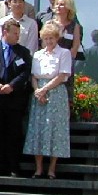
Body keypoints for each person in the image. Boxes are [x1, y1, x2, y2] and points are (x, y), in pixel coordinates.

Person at [0, 20, 32, 177]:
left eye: (19, 33)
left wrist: (12, 86)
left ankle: (13, 167)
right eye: (15, 33)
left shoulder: (23, 51)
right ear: (5, 32)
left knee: (13, 135)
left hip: (14, 100)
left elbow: (25, 72)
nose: (18, 36)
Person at [24, 23, 72, 179]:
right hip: (39, 92)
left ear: (57, 38)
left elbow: (62, 75)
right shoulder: (38, 55)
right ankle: (38, 168)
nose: (49, 41)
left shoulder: (64, 53)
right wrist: (38, 91)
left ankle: (51, 168)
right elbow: (33, 76)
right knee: (38, 128)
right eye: (46, 38)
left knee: (55, 128)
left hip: (56, 92)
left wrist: (45, 90)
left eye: (51, 38)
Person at [50, 0, 83, 99]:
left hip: (67, 63)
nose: (58, 7)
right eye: (57, 4)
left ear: (69, 7)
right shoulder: (50, 23)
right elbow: (44, 43)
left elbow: (75, 45)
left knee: (66, 93)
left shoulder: (74, 25)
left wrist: (66, 61)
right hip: (52, 62)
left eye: (62, 4)